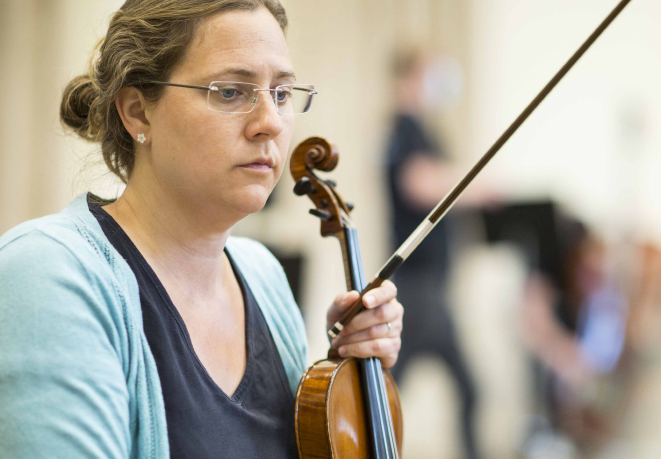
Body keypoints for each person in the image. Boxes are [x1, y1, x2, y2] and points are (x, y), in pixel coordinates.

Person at [0, 1, 403, 458]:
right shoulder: (47, 275)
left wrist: (350, 389)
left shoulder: (263, 275)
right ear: (138, 112)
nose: (270, 123)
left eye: (283, 93)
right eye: (231, 91)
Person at [385, 49, 482, 459]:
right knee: (394, 391)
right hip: (417, 285)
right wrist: (473, 183)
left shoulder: (422, 129)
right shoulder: (403, 129)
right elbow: (417, 182)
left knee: (395, 389)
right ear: (410, 79)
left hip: (428, 285)